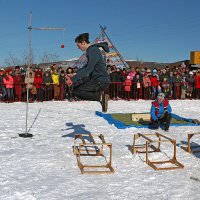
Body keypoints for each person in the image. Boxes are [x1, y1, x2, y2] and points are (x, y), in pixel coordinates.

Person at [66, 33, 110, 112]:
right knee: (77, 90)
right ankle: (101, 98)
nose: (78, 48)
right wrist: (74, 74)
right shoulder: (91, 50)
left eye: (78, 45)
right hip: (98, 79)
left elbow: (89, 68)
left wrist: (72, 80)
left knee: (77, 91)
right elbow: (87, 67)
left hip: (100, 80)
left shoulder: (93, 50)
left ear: (83, 42)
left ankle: (100, 97)